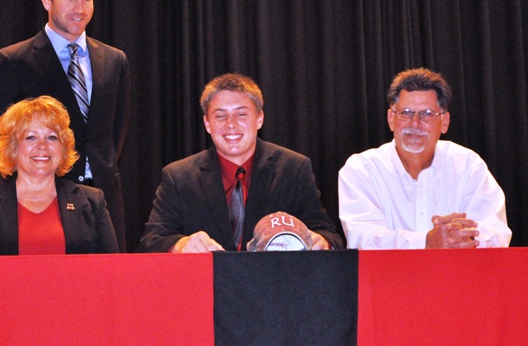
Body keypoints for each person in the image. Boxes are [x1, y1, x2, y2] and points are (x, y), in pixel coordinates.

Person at [0, 0, 130, 250]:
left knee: (109, 288)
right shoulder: (13, 61)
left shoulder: (114, 60)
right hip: (40, 200)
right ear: (47, 0)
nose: (80, 9)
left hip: (104, 198)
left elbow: (115, 133)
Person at [139, 73, 343, 253]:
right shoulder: (178, 176)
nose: (231, 124)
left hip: (274, 289)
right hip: (205, 290)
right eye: (220, 116)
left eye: (241, 114)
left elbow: (330, 235)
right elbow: (151, 241)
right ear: (207, 124)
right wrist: (180, 245)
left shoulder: (294, 168)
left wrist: (320, 242)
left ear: (260, 119)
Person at [339, 68, 512, 249]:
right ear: (391, 119)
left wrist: (462, 237)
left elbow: (496, 233)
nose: (415, 123)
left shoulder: (468, 165)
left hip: (458, 275)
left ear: (444, 122)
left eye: (427, 114)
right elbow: (364, 240)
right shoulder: (361, 170)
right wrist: (426, 242)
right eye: (405, 112)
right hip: (390, 277)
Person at [0, 96, 118, 256]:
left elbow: (112, 272)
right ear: (13, 148)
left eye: (52, 137)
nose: (42, 146)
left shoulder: (92, 202)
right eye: (31, 137)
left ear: (63, 148)